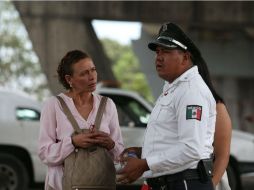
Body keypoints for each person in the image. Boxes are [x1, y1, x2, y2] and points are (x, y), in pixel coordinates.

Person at [117, 22, 216, 190]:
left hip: (185, 183)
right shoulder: (173, 88)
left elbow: (191, 148)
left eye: (167, 52)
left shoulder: (191, 91)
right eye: (158, 52)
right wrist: (144, 152)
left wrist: (144, 164)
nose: (159, 57)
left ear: (185, 57)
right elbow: (172, 140)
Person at [38, 50, 124, 190]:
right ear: (69, 79)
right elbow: (44, 153)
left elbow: (120, 155)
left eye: (93, 70)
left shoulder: (107, 105)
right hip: (63, 185)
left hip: (101, 185)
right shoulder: (54, 105)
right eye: (84, 73)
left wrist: (110, 144)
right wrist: (72, 142)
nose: (92, 77)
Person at [195, 54, 232, 189]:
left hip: (206, 179)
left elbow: (222, 156)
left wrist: (210, 186)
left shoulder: (217, 107)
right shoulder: (172, 101)